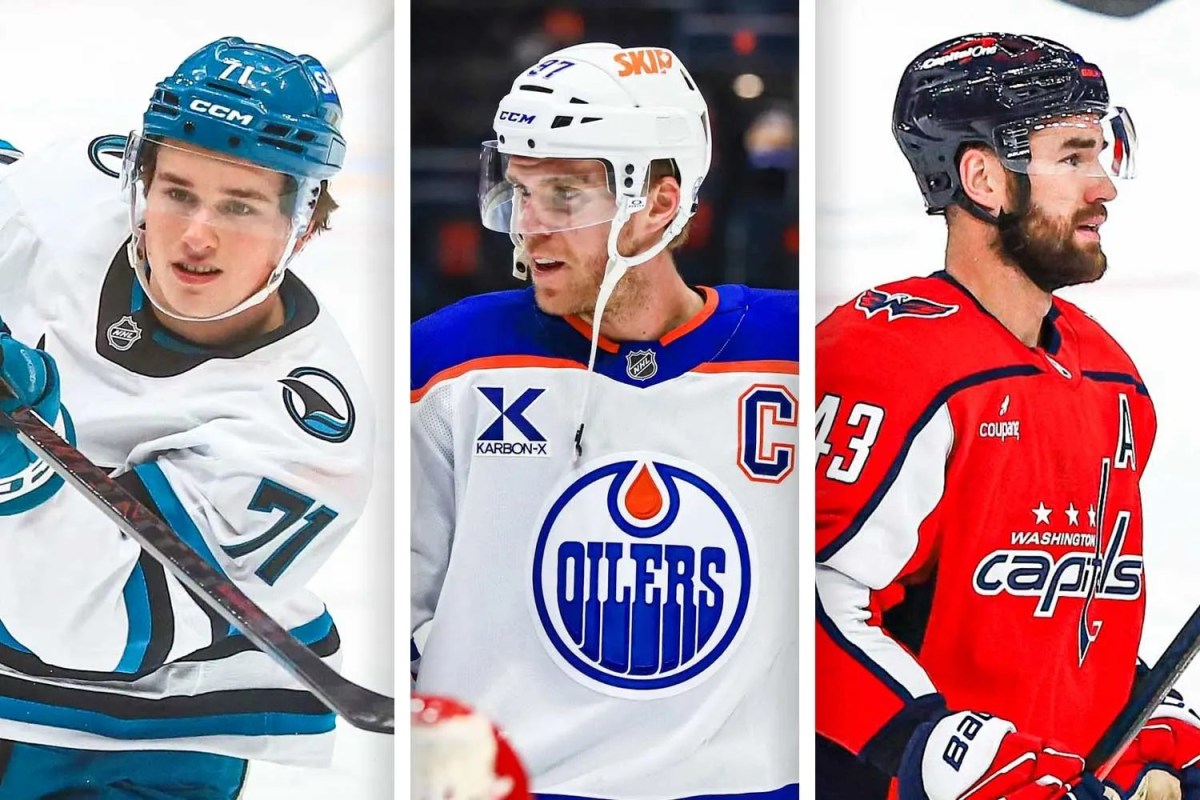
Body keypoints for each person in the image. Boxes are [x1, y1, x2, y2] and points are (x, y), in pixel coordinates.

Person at [816, 32, 1200, 800]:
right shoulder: (882, 358)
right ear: (985, 178)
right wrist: (949, 757)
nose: (1104, 186)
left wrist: (1151, 734)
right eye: (1073, 157)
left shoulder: (1111, 377)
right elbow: (813, 605)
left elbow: (1073, 615)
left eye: (1102, 153)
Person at [411, 42, 799, 798]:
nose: (529, 226)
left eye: (564, 195)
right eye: (518, 190)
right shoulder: (448, 362)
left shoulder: (795, 356)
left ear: (657, 202)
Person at [0, 36, 374, 797]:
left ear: (303, 225)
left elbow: (103, 629)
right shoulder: (64, 200)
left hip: (147, 734)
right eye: (177, 193)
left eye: (239, 206)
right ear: (137, 180)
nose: (198, 235)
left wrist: (17, 466)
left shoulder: (304, 430)